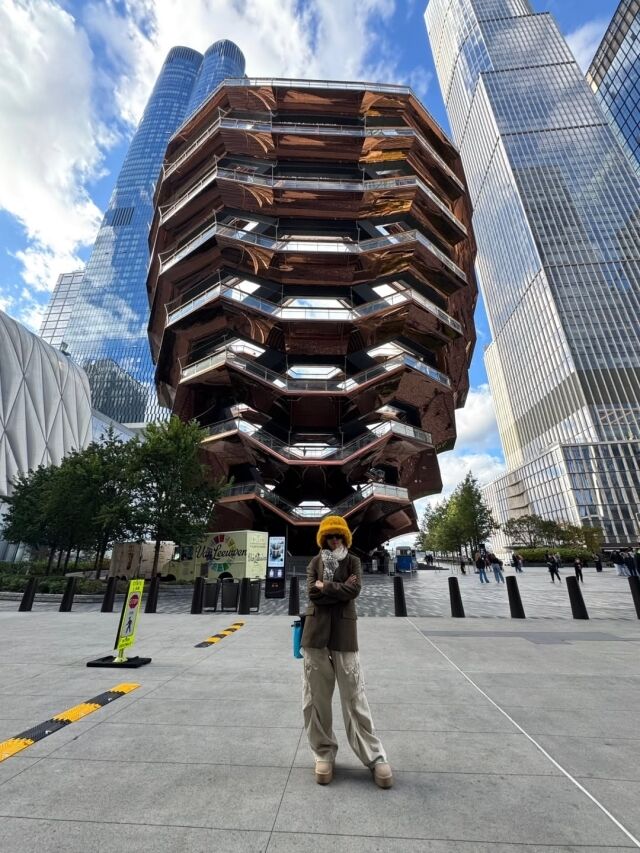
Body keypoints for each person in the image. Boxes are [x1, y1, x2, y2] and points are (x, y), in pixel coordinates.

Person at [301, 515, 393, 788]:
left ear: (345, 537)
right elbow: (312, 593)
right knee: (315, 697)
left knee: (353, 695)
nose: (335, 540)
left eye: (338, 535)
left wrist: (325, 586)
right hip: (315, 634)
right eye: (330, 536)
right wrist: (337, 590)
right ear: (323, 538)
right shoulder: (314, 562)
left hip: (344, 632)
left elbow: (354, 590)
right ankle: (323, 752)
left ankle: (374, 755)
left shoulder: (353, 561)